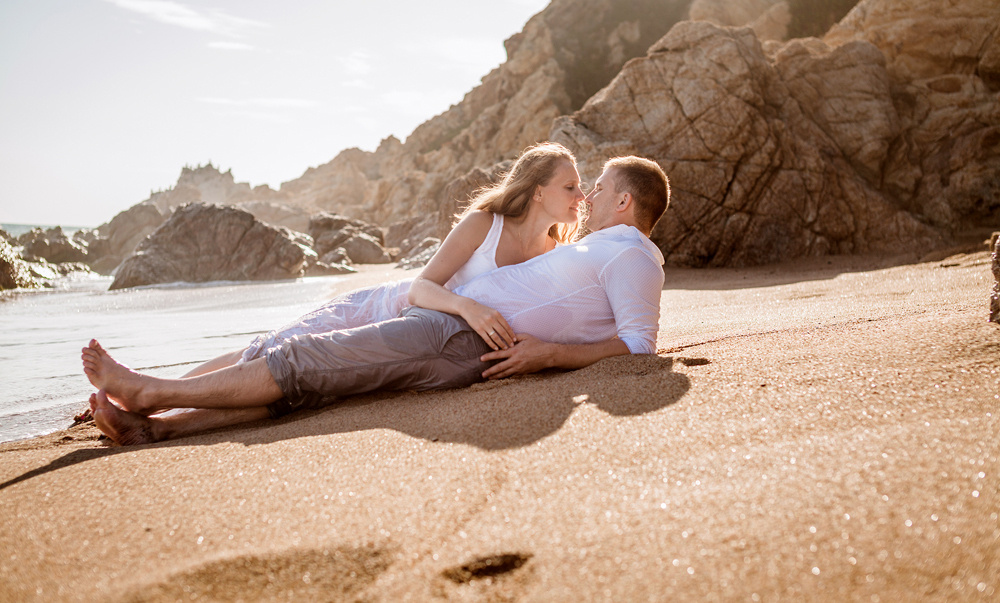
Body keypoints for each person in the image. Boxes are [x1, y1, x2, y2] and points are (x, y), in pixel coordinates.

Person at [84, 156, 671, 446]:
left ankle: (152, 395)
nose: (587, 193)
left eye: (598, 187)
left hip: (453, 339)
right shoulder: (580, 244)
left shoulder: (628, 254)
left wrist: (544, 355)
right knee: (298, 369)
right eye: (577, 186)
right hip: (424, 313)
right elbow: (439, 284)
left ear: (623, 203)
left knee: (304, 366)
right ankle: (155, 425)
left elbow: (638, 345)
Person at [183, 141, 585, 383]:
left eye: (581, 188)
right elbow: (421, 287)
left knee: (295, 371)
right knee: (273, 350)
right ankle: (159, 392)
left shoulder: (554, 254)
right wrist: (468, 307)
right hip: (385, 311)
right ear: (536, 192)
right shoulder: (484, 224)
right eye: (570, 187)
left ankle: (164, 404)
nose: (580, 197)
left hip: (427, 342)